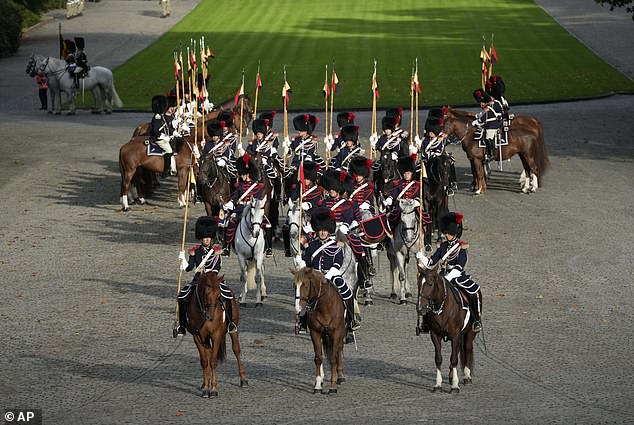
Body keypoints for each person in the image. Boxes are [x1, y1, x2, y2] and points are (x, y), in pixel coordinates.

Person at [295, 207, 360, 333]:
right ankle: (302, 321)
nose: (322, 233)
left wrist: (328, 275)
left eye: (324, 230)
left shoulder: (336, 245)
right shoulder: (312, 245)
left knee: (345, 289)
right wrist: (300, 261)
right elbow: (307, 262)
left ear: (329, 230)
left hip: (331, 274)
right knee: (301, 289)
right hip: (314, 274)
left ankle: (352, 319)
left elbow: (338, 262)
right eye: (320, 230)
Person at [416, 212, 482, 333]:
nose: (447, 236)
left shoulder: (462, 247)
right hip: (443, 274)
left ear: (455, 234)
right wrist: (422, 258)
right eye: (446, 233)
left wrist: (450, 276)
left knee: (474, 292)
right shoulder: (442, 246)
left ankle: (476, 320)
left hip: (456, 275)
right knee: (428, 292)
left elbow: (460, 265)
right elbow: (432, 262)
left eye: (450, 234)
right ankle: (425, 323)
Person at [175, 216, 237, 335]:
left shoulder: (216, 251)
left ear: (211, 238)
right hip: (198, 280)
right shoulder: (195, 251)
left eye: (208, 238)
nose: (206, 240)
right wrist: (183, 260)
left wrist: (210, 273)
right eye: (204, 238)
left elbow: (218, 266)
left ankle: (230, 323)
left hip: (213, 280)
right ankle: (182, 325)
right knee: (182, 297)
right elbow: (189, 268)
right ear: (201, 239)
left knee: (228, 295)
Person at [318, 169, 371, 291]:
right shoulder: (324, 203)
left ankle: (364, 277)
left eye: (333, 188)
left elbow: (349, 217)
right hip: (327, 231)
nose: (330, 190)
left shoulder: (349, 204)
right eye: (329, 188)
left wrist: (346, 225)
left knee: (358, 248)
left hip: (343, 230)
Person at [221, 154, 268, 256]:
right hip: (240, 209)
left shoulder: (257, 187)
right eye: (241, 174)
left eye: (243, 174)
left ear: (248, 174)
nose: (241, 176)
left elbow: (259, 199)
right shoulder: (239, 186)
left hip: (253, 209)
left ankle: (268, 247)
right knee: (229, 222)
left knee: (267, 224)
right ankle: (226, 247)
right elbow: (235, 197)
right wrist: (229, 204)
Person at [283, 161, 322, 257]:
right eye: (305, 178)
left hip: (310, 212)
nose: (306, 181)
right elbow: (293, 196)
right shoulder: (297, 187)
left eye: (308, 179)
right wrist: (295, 200)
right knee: (286, 225)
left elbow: (315, 201)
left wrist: (308, 204)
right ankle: (287, 248)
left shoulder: (316, 190)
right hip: (297, 209)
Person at [383, 155, 431, 231]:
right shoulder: (399, 183)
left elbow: (418, 194)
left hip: (413, 206)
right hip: (401, 207)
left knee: (425, 220)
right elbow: (394, 192)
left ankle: (427, 240)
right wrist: (390, 199)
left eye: (408, 173)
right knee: (390, 220)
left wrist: (416, 201)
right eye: (405, 173)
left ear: (412, 173)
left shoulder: (417, 184)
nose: (406, 175)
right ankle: (390, 238)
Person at [472, 88, 503, 161]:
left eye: (482, 102)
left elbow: (483, 118)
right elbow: (482, 115)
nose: (481, 104)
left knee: (488, 138)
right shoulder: (488, 106)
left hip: (492, 124)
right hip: (489, 124)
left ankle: (491, 154)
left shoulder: (491, 106)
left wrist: (476, 122)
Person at [149, 95, 176, 177]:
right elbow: (156, 131)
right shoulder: (157, 117)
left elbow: (166, 127)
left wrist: (174, 133)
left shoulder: (161, 116)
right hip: (158, 138)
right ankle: (166, 170)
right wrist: (164, 137)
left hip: (164, 136)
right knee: (169, 151)